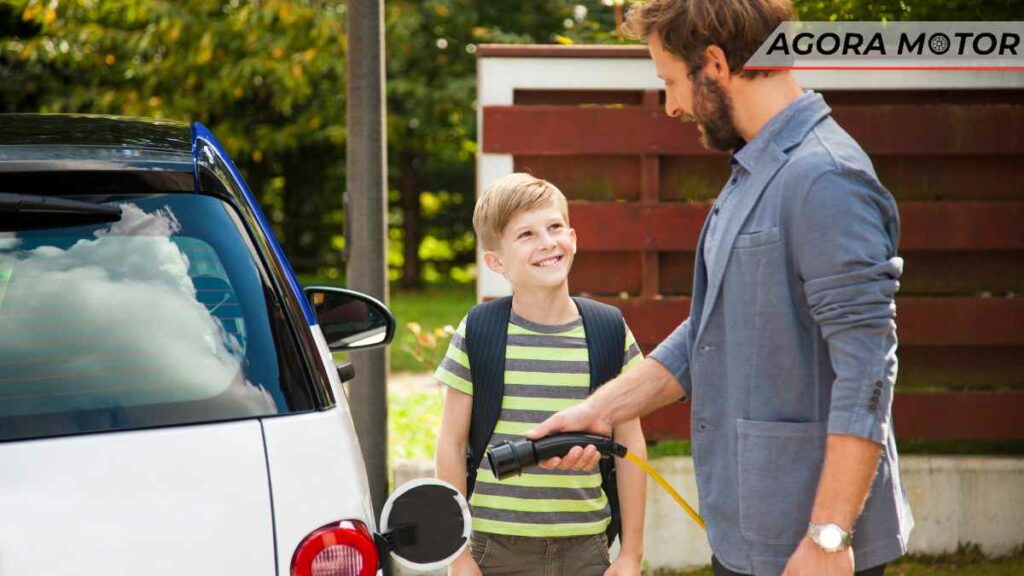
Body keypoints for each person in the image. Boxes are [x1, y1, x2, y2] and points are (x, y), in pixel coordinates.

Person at [524, 2, 914, 576]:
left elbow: (868, 373)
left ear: (714, 63)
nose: (672, 106)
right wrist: (598, 410)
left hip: (812, 540)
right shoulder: (757, 170)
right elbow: (711, 330)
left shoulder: (825, 178)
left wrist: (829, 537)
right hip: (749, 530)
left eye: (671, 82)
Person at [434, 173, 648, 576]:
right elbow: (451, 442)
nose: (547, 242)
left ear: (573, 238)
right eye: (526, 234)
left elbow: (630, 442)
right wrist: (458, 556)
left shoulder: (609, 331)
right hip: (495, 548)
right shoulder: (480, 332)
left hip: (586, 546)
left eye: (554, 228)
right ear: (497, 261)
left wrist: (631, 554)